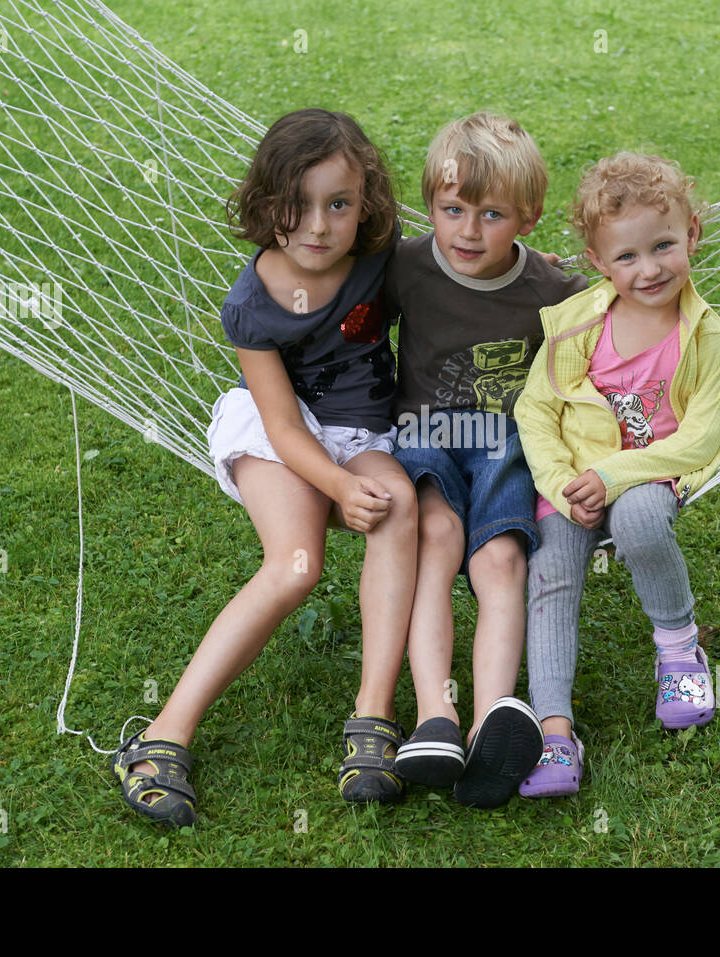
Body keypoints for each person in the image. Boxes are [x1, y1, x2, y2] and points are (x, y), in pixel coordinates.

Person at [112, 109, 417, 827]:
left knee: (399, 503)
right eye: (297, 205)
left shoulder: (380, 256)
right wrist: (337, 484)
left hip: (362, 429)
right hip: (280, 431)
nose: (318, 225)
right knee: (297, 563)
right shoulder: (250, 305)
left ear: (366, 204)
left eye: (338, 204)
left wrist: (524, 278)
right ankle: (162, 734)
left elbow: (449, 277)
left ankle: (372, 717)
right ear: (265, 203)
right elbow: (282, 424)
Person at [513, 152, 720, 798]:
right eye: (628, 257)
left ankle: (679, 652)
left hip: (648, 475)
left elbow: (699, 436)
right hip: (573, 484)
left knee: (640, 520)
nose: (650, 269)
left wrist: (613, 475)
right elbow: (537, 410)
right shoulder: (580, 323)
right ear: (597, 260)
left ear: (692, 233)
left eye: (664, 246)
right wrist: (561, 485)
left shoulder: (707, 337)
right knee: (551, 573)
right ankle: (555, 731)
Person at [386, 112, 588, 808]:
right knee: (436, 539)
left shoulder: (553, 293)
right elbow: (341, 310)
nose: (468, 231)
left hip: (505, 439)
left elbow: (622, 320)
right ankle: (434, 716)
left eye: (491, 214)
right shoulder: (407, 267)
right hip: (423, 431)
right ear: (431, 207)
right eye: (452, 210)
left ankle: (492, 719)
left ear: (526, 219)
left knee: (501, 558)